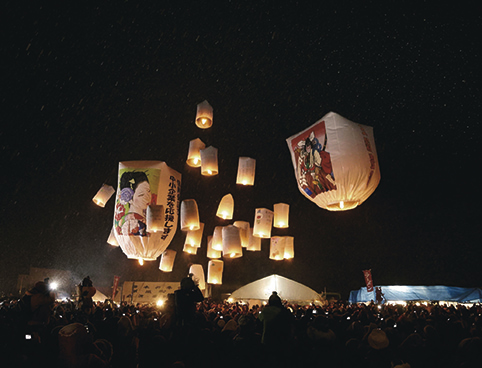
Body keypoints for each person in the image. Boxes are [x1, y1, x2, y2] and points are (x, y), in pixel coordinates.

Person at [258, 291, 294, 361]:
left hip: (267, 340)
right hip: (282, 341)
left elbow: (259, 322)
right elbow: (291, 323)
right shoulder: (284, 312)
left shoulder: (265, 311)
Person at [117, 171, 152, 237]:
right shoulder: (130, 221)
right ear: (130, 199)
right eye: (141, 195)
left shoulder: (144, 216)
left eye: (149, 191)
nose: (148, 197)